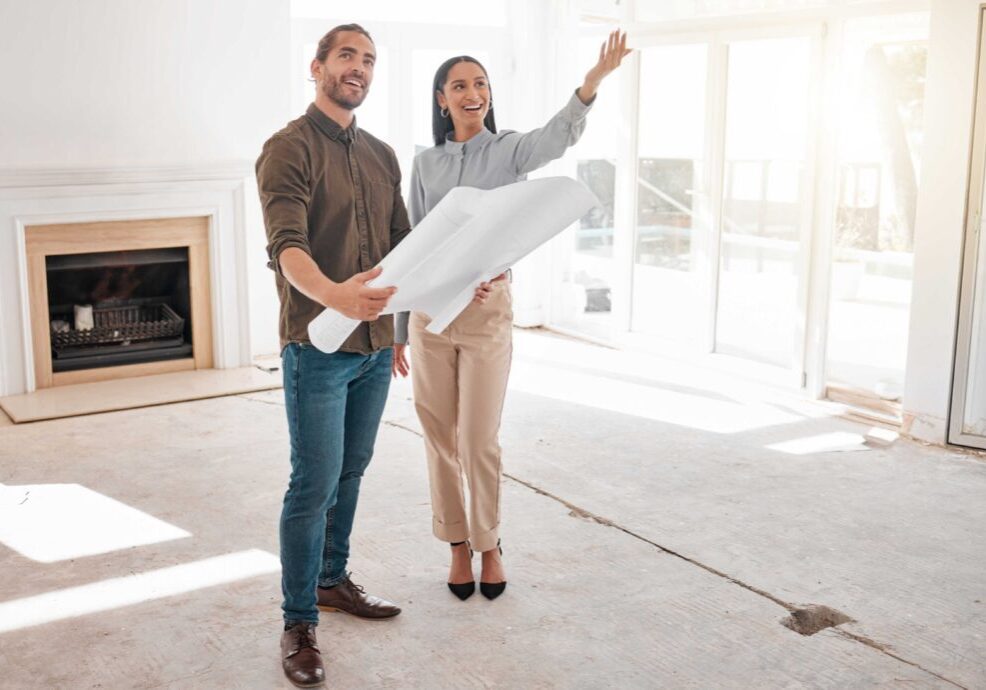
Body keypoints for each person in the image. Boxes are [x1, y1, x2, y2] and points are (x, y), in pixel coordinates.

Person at [393, 30, 630, 601]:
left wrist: (591, 83)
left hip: (485, 316)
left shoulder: (511, 151)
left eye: (480, 84)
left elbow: (557, 138)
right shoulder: (425, 162)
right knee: (438, 435)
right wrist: (399, 329)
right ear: (441, 98)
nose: (472, 92)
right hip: (430, 317)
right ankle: (456, 545)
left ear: (488, 96)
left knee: (478, 438)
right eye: (459, 85)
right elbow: (415, 242)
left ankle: (489, 543)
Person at [256, 23, 408, 688]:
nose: (359, 68)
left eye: (369, 60)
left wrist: (399, 329)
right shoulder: (286, 148)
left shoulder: (381, 153)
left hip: (375, 348)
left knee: (352, 471)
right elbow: (286, 246)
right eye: (347, 55)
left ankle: (331, 579)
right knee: (312, 483)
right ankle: (297, 622)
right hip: (317, 349)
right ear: (317, 66)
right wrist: (333, 297)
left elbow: (407, 248)